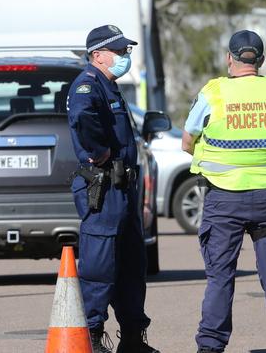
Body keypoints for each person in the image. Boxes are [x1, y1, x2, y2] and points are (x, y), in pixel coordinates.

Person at [182, 30, 266, 353]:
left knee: (220, 277)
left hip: (225, 199)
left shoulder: (214, 92)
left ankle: (210, 347)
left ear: (229, 58)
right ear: (261, 61)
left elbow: (187, 139)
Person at [67, 25, 159, 353]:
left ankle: (133, 337)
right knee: (99, 265)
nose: (125, 57)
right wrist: (100, 150)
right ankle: (91, 337)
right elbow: (82, 117)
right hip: (104, 187)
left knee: (132, 264)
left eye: (126, 51)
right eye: (119, 52)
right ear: (98, 56)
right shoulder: (87, 86)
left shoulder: (110, 86)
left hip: (123, 188)